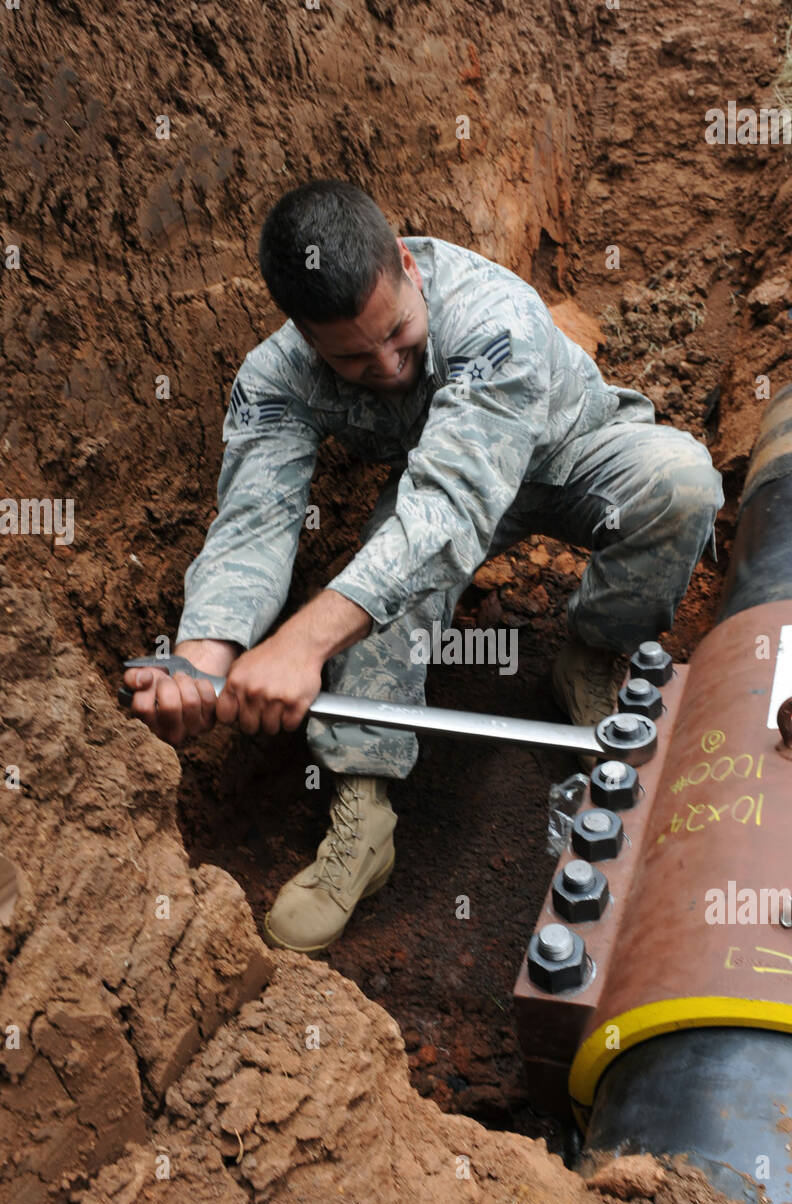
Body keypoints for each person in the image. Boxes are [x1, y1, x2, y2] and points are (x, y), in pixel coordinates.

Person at [124, 179, 724, 956]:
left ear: (406, 263)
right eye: (353, 357)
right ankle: (364, 806)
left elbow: (449, 510)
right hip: (438, 484)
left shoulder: (490, 314)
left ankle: (594, 651)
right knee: (383, 586)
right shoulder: (274, 377)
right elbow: (252, 525)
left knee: (679, 485)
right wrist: (203, 656)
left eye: (400, 333)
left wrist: (302, 644)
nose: (388, 366)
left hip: (568, 453)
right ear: (304, 337)